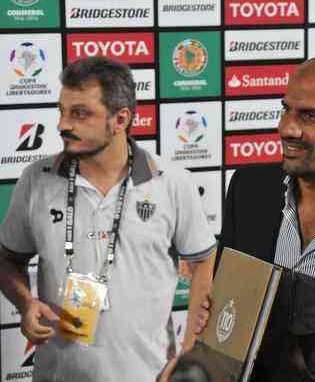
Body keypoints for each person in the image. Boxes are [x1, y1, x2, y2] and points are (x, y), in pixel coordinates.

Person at [0, 56, 216, 381]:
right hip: (57, 375)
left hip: (149, 374)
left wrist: (189, 351)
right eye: (62, 111)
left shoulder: (171, 182)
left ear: (120, 119)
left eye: (80, 113)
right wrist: (25, 302)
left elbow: (203, 263)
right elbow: (6, 259)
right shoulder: (36, 179)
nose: (63, 125)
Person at [215, 53, 315, 381]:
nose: (287, 128)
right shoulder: (249, 189)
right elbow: (227, 311)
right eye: (286, 110)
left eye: (310, 116)